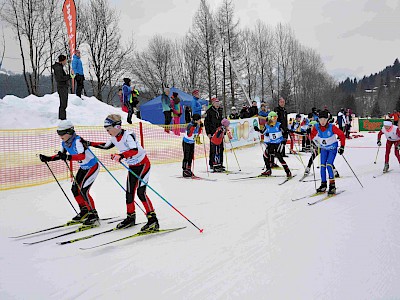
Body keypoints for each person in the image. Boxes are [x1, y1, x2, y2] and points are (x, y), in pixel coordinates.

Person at [87, 114, 159, 231]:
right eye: (106, 130)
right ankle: (130, 217)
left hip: (143, 165)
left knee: (141, 193)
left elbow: (134, 150)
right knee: (129, 193)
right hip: (133, 167)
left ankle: (153, 220)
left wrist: (121, 155)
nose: (108, 132)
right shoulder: (114, 138)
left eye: (109, 129)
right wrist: (88, 143)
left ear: (117, 127)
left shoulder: (128, 135)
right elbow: (105, 146)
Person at [39, 120, 100, 225]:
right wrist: (48, 158)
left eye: (62, 133)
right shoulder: (65, 142)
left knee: (84, 190)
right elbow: (61, 155)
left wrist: (67, 157)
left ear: (70, 132)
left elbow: (82, 156)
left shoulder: (78, 141)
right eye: (58, 133)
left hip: (92, 166)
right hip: (84, 167)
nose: (60, 135)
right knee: (75, 189)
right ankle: (84, 211)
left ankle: (93, 214)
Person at [309, 110, 346, 194]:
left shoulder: (331, 127)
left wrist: (342, 147)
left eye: (324, 119)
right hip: (324, 149)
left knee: (329, 165)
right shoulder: (316, 127)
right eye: (320, 119)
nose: (322, 121)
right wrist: (309, 133)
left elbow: (341, 135)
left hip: (332, 149)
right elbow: (311, 137)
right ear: (318, 119)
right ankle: (323, 184)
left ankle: (332, 185)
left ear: (327, 120)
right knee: (322, 166)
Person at [254, 111, 292, 178]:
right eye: (274, 117)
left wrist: (284, 140)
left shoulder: (279, 125)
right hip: (271, 143)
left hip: (279, 143)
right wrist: (258, 130)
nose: (275, 119)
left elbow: (286, 132)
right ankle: (268, 170)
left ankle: (287, 171)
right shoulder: (267, 126)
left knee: (279, 156)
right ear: (270, 118)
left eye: (276, 117)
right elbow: (263, 132)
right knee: (265, 155)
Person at [205, 97, 224, 171]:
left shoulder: (220, 110)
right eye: (216, 103)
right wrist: (208, 133)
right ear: (213, 103)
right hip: (213, 132)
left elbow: (221, 120)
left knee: (220, 148)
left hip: (220, 131)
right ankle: (213, 163)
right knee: (213, 148)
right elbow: (206, 123)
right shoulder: (209, 111)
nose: (217, 104)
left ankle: (220, 163)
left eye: (218, 102)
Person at [52, 54, 70, 120]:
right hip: (62, 87)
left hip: (63, 87)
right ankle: (62, 118)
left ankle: (63, 118)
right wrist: (69, 76)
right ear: (62, 60)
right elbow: (60, 78)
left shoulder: (59, 67)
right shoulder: (58, 68)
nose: (66, 62)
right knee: (63, 104)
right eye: (65, 60)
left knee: (64, 103)